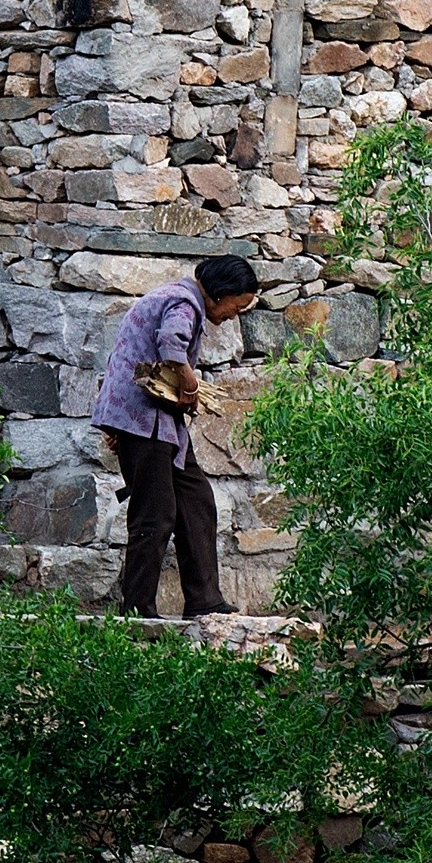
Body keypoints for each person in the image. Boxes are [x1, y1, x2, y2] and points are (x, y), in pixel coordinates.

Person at [93, 253, 263, 619]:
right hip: (145, 421)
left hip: (154, 423)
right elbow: (171, 344)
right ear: (221, 292)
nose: (233, 315)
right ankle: (137, 611)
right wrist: (191, 386)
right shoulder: (184, 302)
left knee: (196, 502)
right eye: (236, 306)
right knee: (154, 514)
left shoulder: (172, 298)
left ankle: (205, 601)